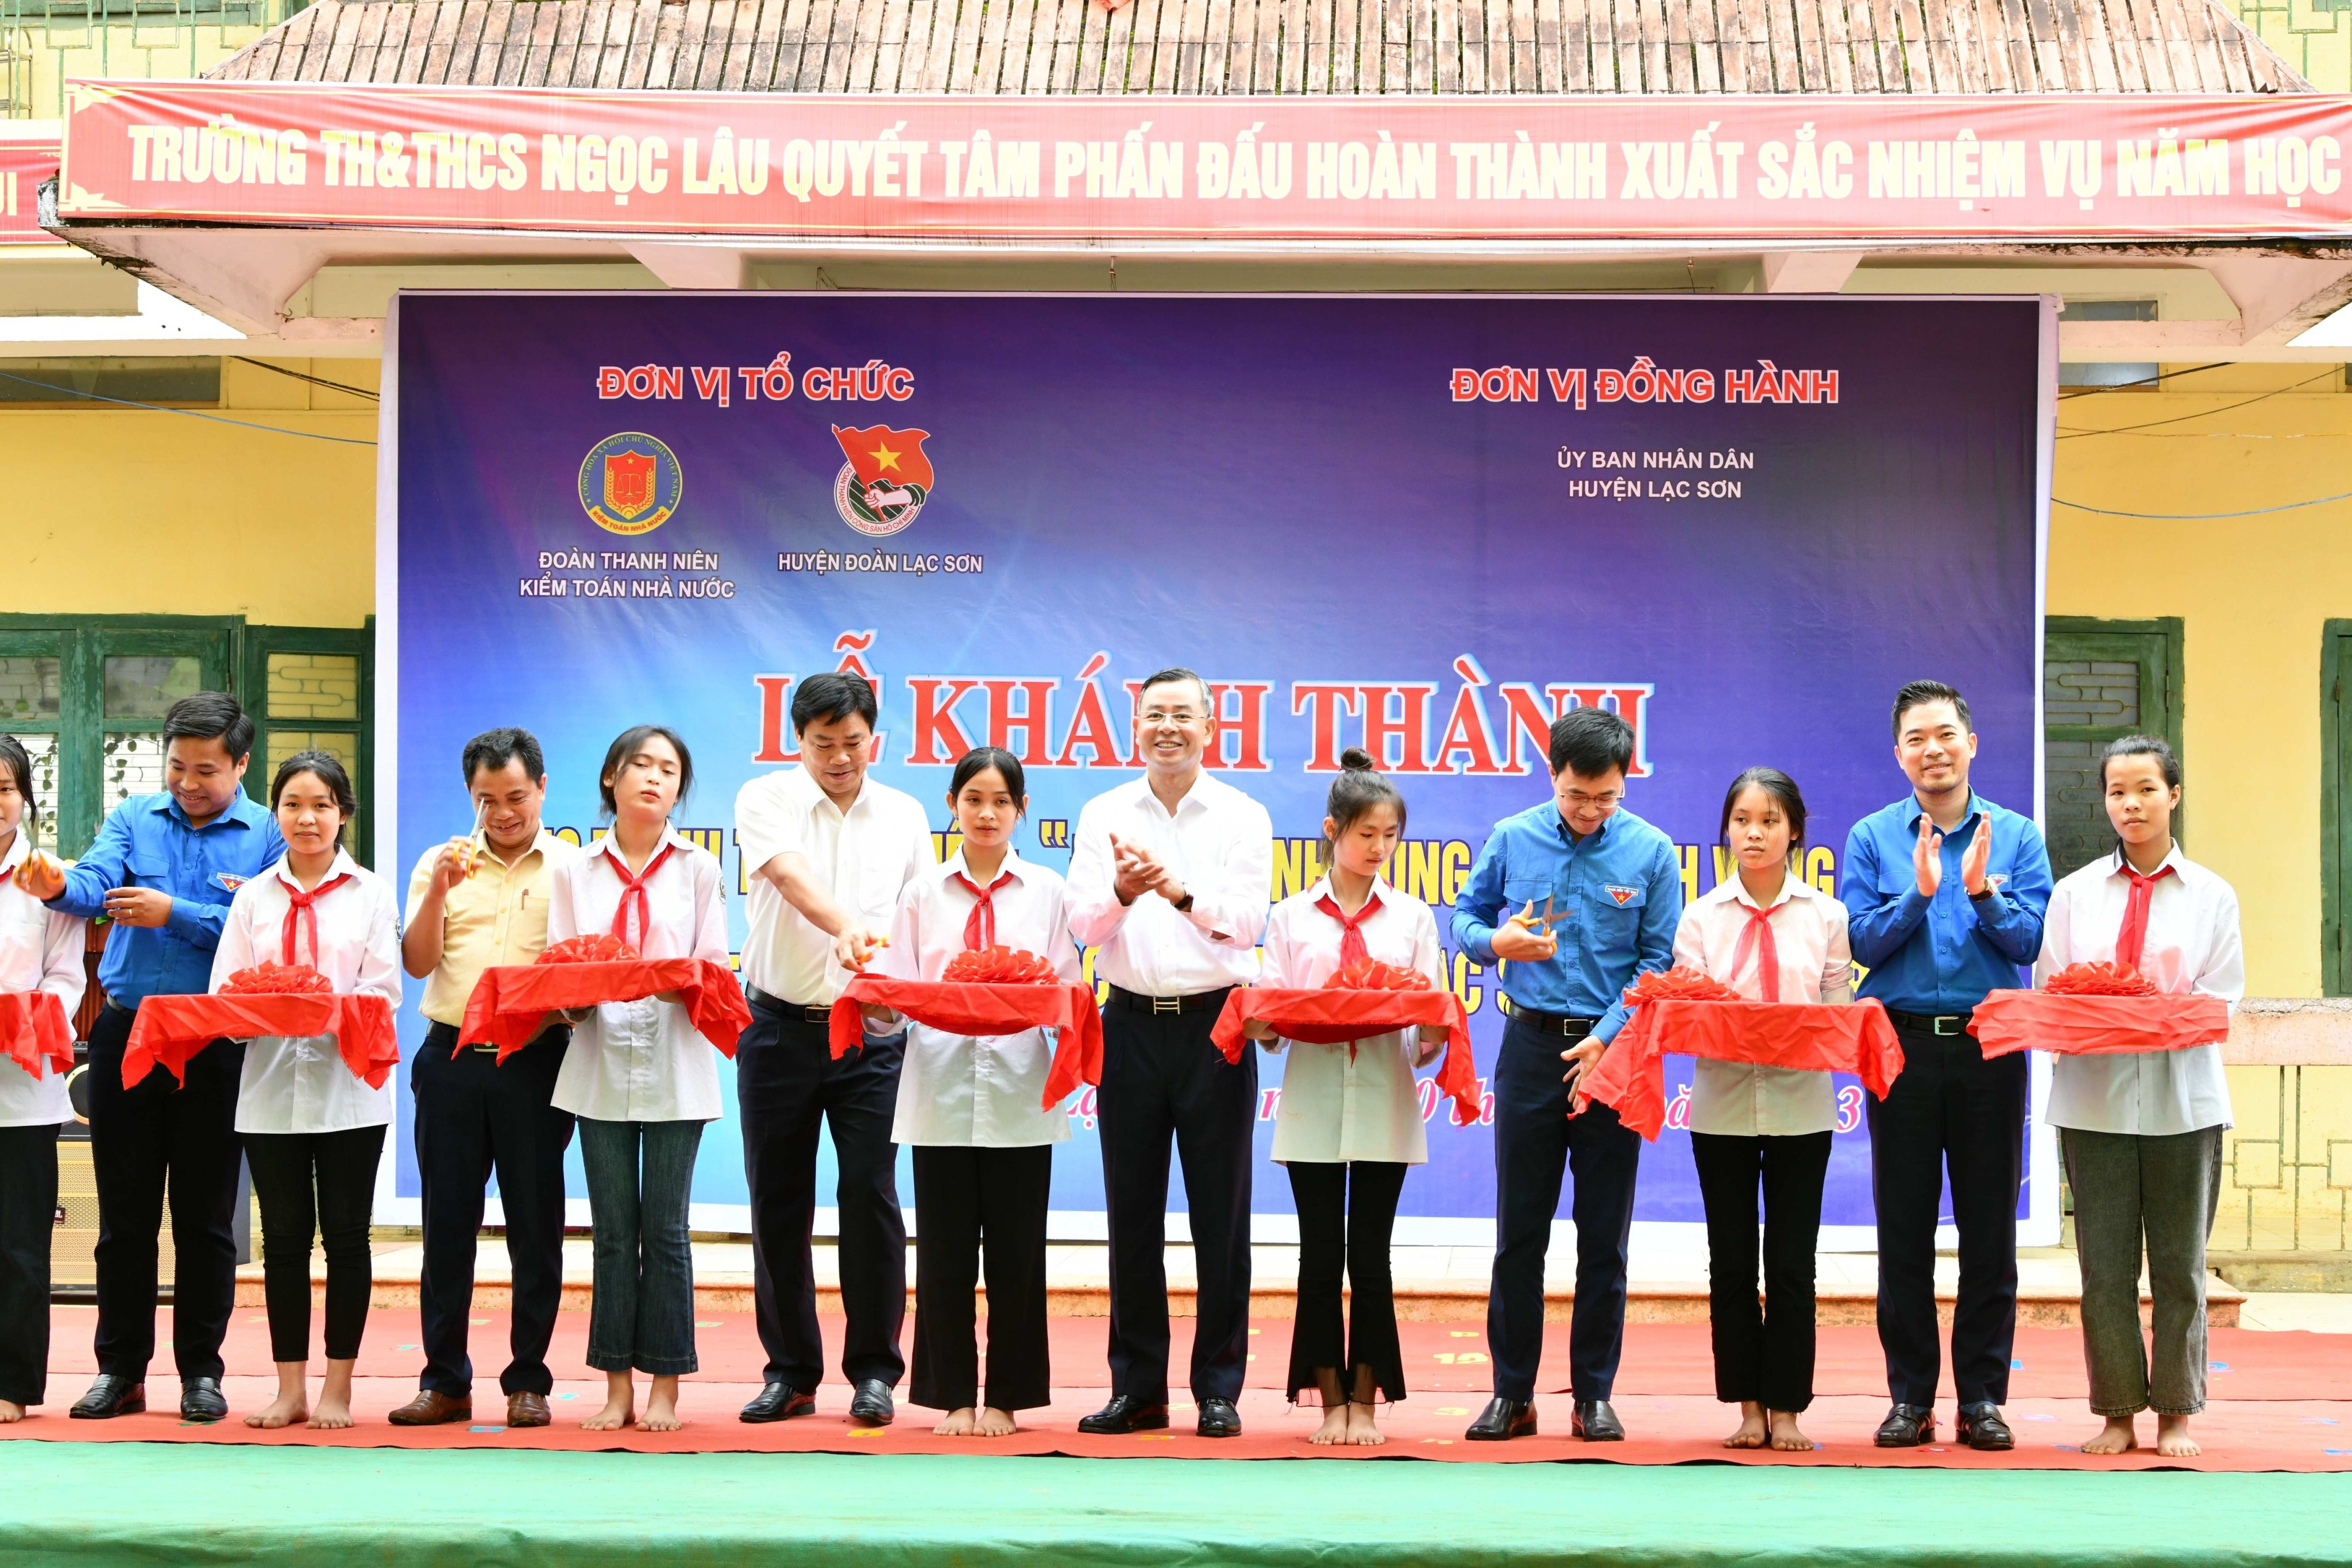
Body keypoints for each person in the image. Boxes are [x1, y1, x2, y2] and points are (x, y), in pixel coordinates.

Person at [17, 692, 284, 1423]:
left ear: (241, 764)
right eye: (177, 766)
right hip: (128, 1034)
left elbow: (266, 931)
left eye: (206, 770)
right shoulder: (134, 817)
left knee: (206, 1220)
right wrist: (57, 885)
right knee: (124, 1218)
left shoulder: (267, 834)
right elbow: (94, 884)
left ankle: (201, 1371)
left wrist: (177, 914)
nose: (188, 783)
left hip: (214, 1042)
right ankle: (120, 1370)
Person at [1453, 706, 1680, 1443]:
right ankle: (1512, 1393)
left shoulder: (1651, 852)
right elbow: (1462, 917)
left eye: (1606, 797)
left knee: (1603, 1236)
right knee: (1519, 1231)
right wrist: (1496, 942)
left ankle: (1594, 1395)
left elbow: (1658, 963)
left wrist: (1607, 1037)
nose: (1589, 811)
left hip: (1613, 1059)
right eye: (1577, 795)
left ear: (1624, 783)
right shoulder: (1512, 837)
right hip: (1531, 1049)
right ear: (1553, 775)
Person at [1842, 679, 2052, 1451]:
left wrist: (1980, 893)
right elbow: (1860, 942)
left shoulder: (2016, 836)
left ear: (1970, 744)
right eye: (1915, 739)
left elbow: (2028, 942)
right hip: (1898, 1046)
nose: (1931, 750)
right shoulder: (1872, 837)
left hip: (1987, 1046)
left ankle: (1982, 1400)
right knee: (1902, 1229)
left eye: (1944, 735)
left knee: (1988, 1231)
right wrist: (1919, 896)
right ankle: (1910, 1399)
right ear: (1899, 754)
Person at [1068, 667, 1272, 1439]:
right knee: (1131, 1214)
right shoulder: (1104, 812)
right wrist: (1124, 891)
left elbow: (1247, 924)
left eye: (1182, 715)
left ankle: (1218, 1387)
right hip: (1127, 1024)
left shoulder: (1242, 815)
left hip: (1215, 1026)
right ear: (1135, 727)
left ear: (1209, 727)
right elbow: (1083, 926)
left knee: (1221, 1216)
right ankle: (1137, 1388)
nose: (1167, 728)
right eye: (1154, 714)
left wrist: (1180, 893)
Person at [732, 671, 932, 1426]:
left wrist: (902, 987)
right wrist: (847, 925)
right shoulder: (766, 798)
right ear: (798, 739)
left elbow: (920, 916)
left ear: (874, 738)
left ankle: (875, 1371)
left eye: (853, 742)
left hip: (872, 1034)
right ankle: (790, 1371)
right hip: (778, 1027)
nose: (840, 757)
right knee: (777, 1201)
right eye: (823, 744)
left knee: (871, 1199)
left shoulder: (905, 814)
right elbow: (787, 876)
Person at [2038, 735, 2241, 1459]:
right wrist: (2101, 1012)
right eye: (2118, 791)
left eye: (2147, 789)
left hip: (2183, 1102)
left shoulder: (2212, 895)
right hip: (2093, 1102)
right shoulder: (2075, 894)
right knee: (2105, 1271)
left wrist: (2148, 1013)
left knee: (2181, 1268)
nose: (2132, 803)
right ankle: (2118, 1411)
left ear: (2173, 795)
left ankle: (2177, 1411)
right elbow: (2053, 989)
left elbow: (2221, 999)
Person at [869, 746, 1077, 1437]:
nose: (987, 814)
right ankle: (953, 1394)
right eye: (973, 800)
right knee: (945, 1256)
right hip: (941, 1088)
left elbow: (1066, 987)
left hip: (1021, 1090)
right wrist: (875, 1002)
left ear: (1022, 809)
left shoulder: (1048, 891)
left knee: (1018, 1257)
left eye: (1001, 802)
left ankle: (1007, 1399)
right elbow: (897, 994)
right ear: (952, 805)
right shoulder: (922, 893)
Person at [1248, 748, 1446, 1448]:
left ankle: (1367, 1400)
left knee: (1371, 1256)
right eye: (1366, 834)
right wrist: (1263, 1021)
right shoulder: (1290, 917)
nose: (1379, 848)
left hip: (1385, 1094)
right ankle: (1328, 1400)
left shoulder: (1413, 917)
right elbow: (1271, 1019)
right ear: (1333, 829)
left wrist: (1430, 1033)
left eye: (1390, 835)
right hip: (1314, 1096)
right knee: (1318, 1254)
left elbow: (1427, 1024)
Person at [391, 727, 580, 1430]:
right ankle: (444, 1381)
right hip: (451, 1060)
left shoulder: (572, 867)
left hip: (536, 1060)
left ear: (542, 788)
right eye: (486, 799)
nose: (502, 812)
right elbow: (417, 963)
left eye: (516, 797)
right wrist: (438, 890)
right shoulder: (440, 862)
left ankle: (529, 1380)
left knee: (536, 1225)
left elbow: (582, 970)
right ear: (470, 795)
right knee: (446, 1225)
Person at [210, 751, 402, 1430]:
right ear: (276, 814)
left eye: (322, 805)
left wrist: (310, 1006)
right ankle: (289, 1388)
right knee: (284, 1244)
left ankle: (338, 1389)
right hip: (269, 1092)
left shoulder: (372, 894)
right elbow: (225, 995)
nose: (307, 818)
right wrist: (262, 1010)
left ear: (343, 813)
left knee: (347, 1241)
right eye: (292, 804)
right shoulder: (252, 898)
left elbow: (383, 993)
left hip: (349, 1092)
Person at [549, 725, 731, 1432]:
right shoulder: (575, 870)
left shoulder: (699, 868)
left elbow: (711, 968)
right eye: (642, 765)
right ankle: (616, 1387)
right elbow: (562, 966)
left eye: (669, 770)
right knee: (612, 1235)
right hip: (598, 1064)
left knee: (667, 1231)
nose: (655, 778)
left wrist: (660, 979)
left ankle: (665, 1388)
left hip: (677, 1064)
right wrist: (578, 994)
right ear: (611, 778)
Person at [1668, 768, 1851, 1453]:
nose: (1755, 833)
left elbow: (1836, 1016)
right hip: (1721, 1106)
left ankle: (1789, 1408)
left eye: (1770, 821)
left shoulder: (1827, 916)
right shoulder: (1701, 916)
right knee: (1732, 1260)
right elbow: (1686, 1014)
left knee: (1794, 1263)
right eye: (1743, 820)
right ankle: (1748, 1407)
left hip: (1804, 1106)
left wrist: (1797, 1033)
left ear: (1794, 830)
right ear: (1726, 829)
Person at [0, 736, 87, 1423]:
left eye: (4, 788)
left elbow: (66, 978)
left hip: (22, 1093)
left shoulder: (47, 880)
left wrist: (23, 1021)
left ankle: (12, 1383)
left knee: (19, 1248)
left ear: (25, 798)